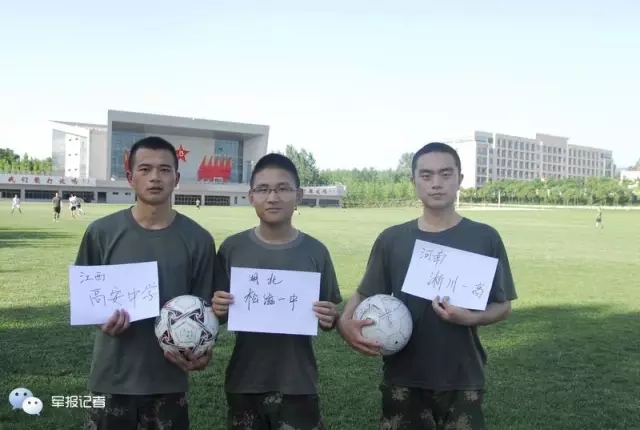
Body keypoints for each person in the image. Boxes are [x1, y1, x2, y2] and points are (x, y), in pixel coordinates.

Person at [338, 142, 517, 430]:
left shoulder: (484, 237)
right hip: (404, 376)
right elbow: (364, 292)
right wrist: (344, 324)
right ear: (414, 181)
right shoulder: (393, 239)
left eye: (446, 174)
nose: (436, 183)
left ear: (460, 178)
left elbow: (503, 305)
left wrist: (470, 318)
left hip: (462, 377)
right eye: (426, 175)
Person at [76, 136, 216, 430]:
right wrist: (101, 321)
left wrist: (203, 352)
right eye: (145, 169)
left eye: (165, 170)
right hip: (110, 379)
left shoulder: (199, 240)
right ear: (130, 177)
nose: (155, 177)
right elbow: (86, 299)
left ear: (176, 179)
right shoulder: (100, 233)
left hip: (169, 381)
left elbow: (205, 313)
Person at [212, 153, 342, 430]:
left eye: (283, 188)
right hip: (244, 380)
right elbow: (218, 315)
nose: (273, 197)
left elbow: (328, 317)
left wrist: (330, 317)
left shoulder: (315, 252)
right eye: (263, 189)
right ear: (251, 196)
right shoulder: (232, 248)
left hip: (298, 382)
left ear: (299, 195)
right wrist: (218, 308)